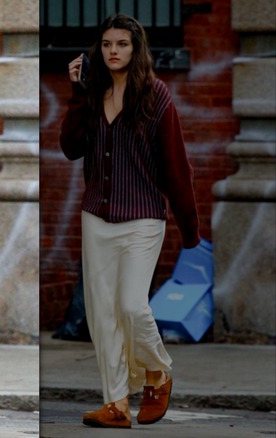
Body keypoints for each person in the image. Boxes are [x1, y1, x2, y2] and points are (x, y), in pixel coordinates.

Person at [60, 14, 200, 429]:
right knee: (102, 317)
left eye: (122, 44)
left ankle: (157, 372)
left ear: (136, 49)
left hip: (142, 218)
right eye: (106, 44)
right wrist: (75, 92)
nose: (114, 51)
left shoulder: (156, 96)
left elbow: (177, 168)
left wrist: (190, 228)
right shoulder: (93, 91)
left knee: (131, 307)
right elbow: (70, 148)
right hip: (97, 216)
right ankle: (116, 403)